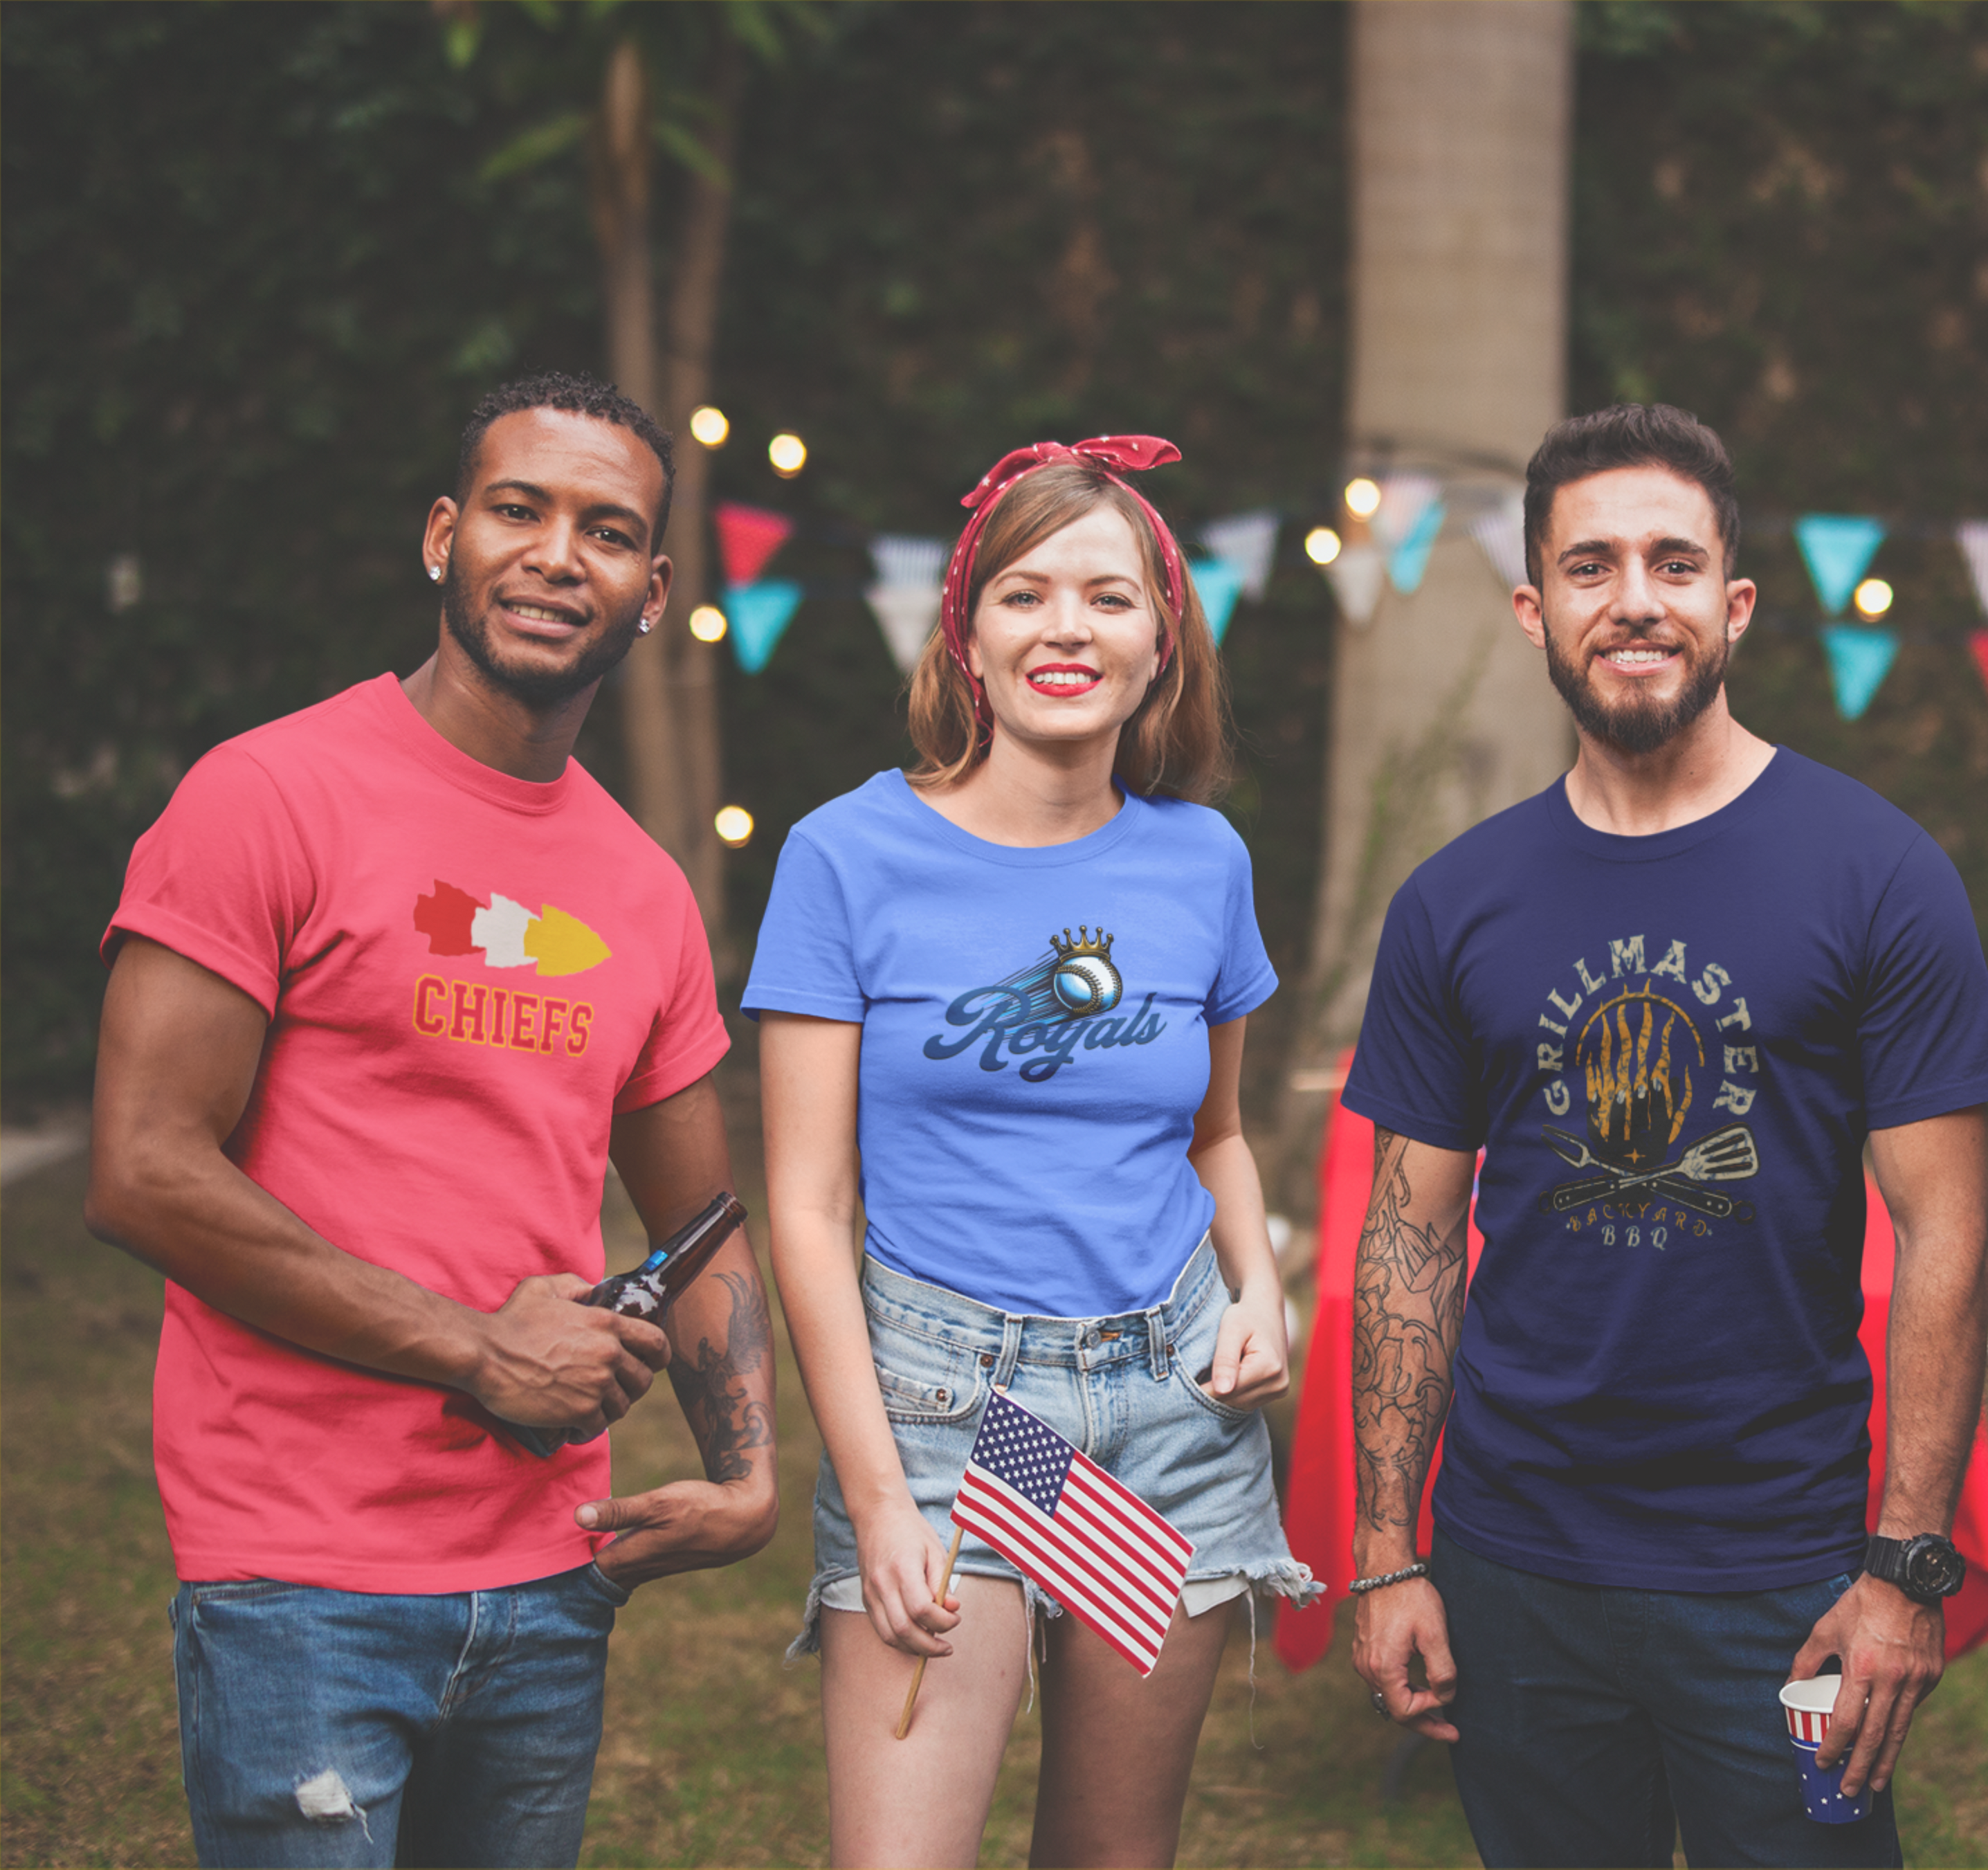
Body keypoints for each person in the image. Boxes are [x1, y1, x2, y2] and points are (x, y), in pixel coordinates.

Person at [85, 371, 782, 1869]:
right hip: (299, 1576)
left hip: (548, 1578)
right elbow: (143, 1170)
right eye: (518, 510)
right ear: (443, 535)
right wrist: (477, 1346)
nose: (554, 555)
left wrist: (749, 1470)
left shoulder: (644, 888)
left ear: (653, 593)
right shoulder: (269, 794)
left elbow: (704, 1221)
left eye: (606, 532)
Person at [1341, 403, 1988, 1869]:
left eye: (1671, 562)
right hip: (1517, 1561)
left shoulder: (1878, 872)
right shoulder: (1455, 903)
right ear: (1533, 610)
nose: (1634, 599)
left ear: (1736, 603)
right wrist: (1390, 1549)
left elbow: (1946, 1235)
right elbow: (1407, 1234)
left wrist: (1904, 1564)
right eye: (1590, 567)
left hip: (1781, 1563)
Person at [747, 435, 1318, 1869]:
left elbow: (1220, 1133)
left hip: (1171, 1415)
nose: (1067, 626)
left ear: (1161, 643)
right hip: (950, 1418)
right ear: (968, 632)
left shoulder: (1205, 863)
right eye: (1026, 592)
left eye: (1109, 598)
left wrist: (1261, 1288)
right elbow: (808, 1211)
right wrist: (875, 1493)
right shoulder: (843, 856)